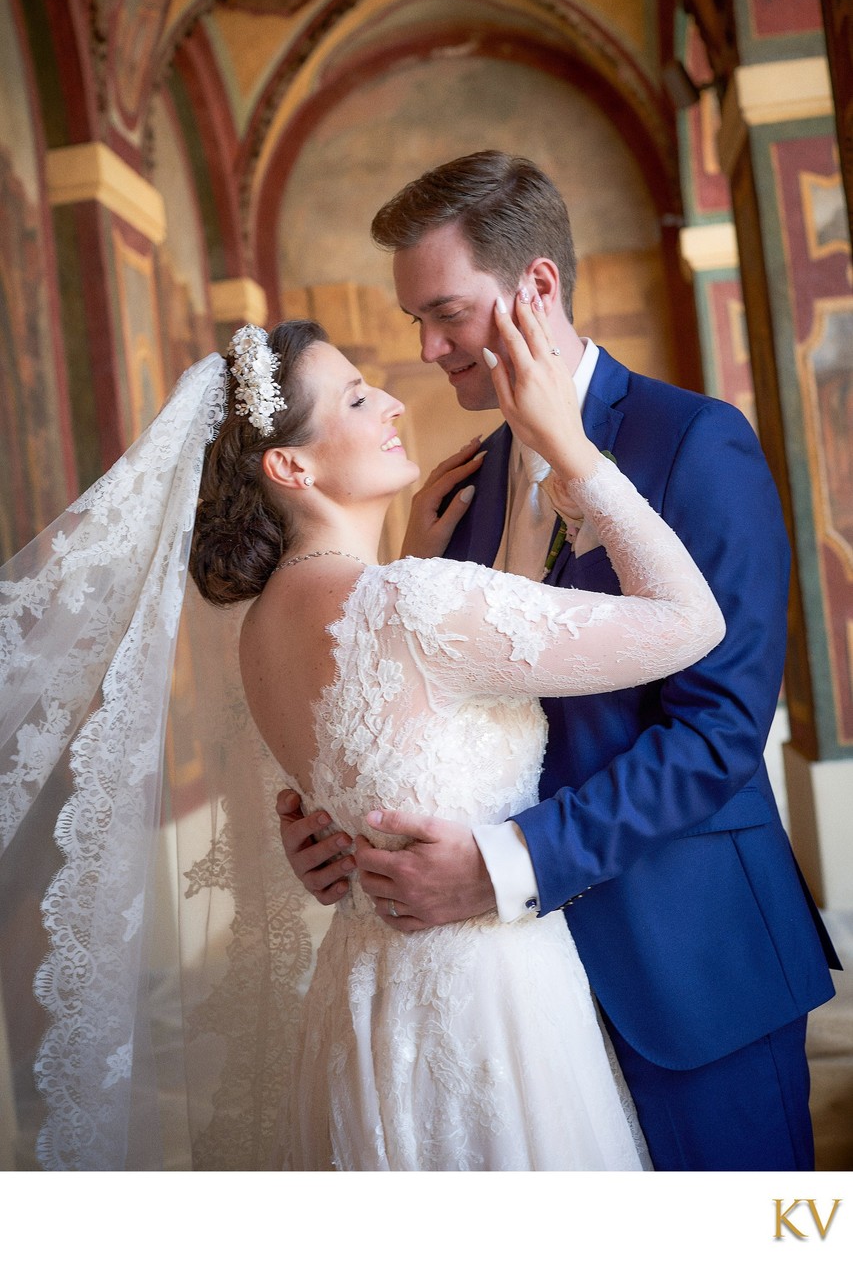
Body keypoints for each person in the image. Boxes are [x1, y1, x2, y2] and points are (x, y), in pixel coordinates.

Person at [0, 307, 724, 1171]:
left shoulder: (261, 628)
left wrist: (456, 559)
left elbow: (415, 720)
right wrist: (573, 453)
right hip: (487, 1003)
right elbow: (690, 621)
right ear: (291, 464)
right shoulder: (407, 603)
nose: (389, 399)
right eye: (353, 398)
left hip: (365, 1001)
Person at [279, 150, 840, 1172]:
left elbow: (717, 730)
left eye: (445, 311)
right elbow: (440, 716)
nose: (427, 346)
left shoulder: (694, 443)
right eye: (415, 320)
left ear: (535, 286)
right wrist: (341, 834)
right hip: (514, 1006)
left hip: (686, 961)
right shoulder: (459, 483)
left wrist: (507, 869)